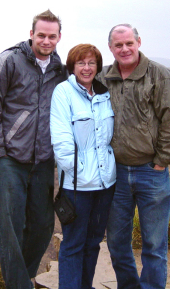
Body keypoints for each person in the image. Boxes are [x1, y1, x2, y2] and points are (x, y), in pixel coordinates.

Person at [0, 10, 67, 289]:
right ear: (31, 34)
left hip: (42, 160)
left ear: (59, 37)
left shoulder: (58, 69)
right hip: (9, 161)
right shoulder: (8, 61)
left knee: (42, 227)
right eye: (42, 35)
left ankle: (22, 278)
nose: (47, 40)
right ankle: (19, 285)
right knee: (10, 229)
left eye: (52, 36)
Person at [99, 24, 170, 289]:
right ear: (111, 48)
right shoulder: (103, 78)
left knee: (154, 243)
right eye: (118, 45)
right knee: (116, 241)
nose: (124, 49)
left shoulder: (161, 76)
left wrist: (162, 160)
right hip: (115, 175)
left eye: (128, 43)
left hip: (151, 172)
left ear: (138, 42)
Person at [50, 44, 116, 289]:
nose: (86, 68)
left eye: (91, 63)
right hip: (77, 186)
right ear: (72, 66)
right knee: (73, 244)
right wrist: (77, 173)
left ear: (97, 66)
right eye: (81, 63)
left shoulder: (105, 93)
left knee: (93, 242)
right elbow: (62, 139)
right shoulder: (63, 92)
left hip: (106, 183)